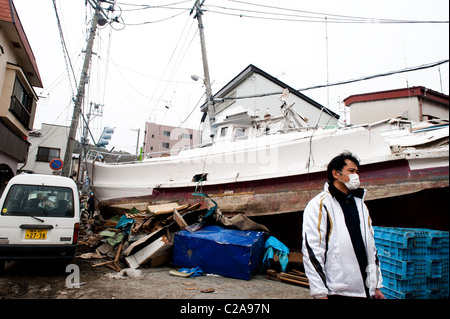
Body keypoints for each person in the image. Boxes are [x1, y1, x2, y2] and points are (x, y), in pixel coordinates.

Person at [302, 151, 385, 299]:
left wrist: (376, 286)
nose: (356, 176)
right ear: (336, 174)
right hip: (338, 290)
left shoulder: (360, 205)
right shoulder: (320, 205)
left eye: (357, 172)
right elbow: (312, 250)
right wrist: (319, 292)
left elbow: (370, 247)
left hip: (365, 290)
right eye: (351, 171)